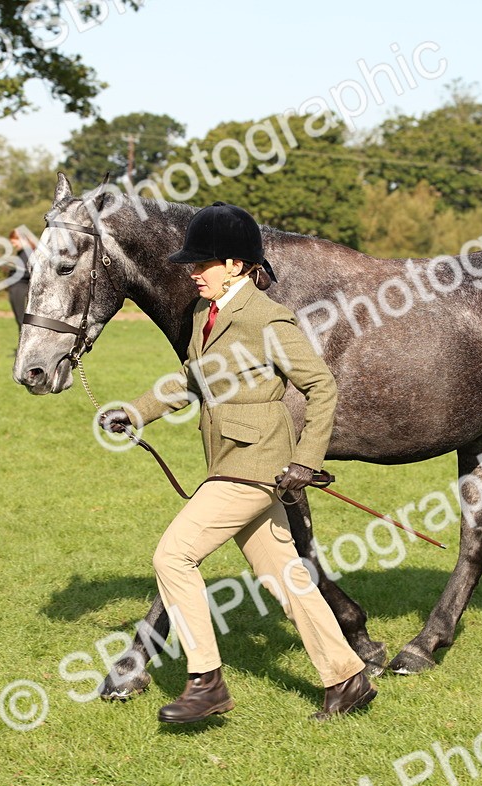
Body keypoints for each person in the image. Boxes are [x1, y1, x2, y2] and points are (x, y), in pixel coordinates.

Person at [98, 202, 377, 724]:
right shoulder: (208, 315)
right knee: (287, 576)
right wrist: (135, 411)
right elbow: (189, 382)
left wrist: (305, 461)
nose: (192, 272)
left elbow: (321, 386)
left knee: (173, 556)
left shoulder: (267, 317)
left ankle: (206, 682)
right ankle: (347, 677)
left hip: (253, 465)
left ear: (236, 264)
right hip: (226, 459)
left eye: (202, 263)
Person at [5, 229, 32, 335]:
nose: (13, 245)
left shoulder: (29, 253)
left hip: (21, 288)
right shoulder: (21, 253)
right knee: (19, 320)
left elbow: (30, 272)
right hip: (16, 288)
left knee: (22, 320)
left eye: (14, 242)